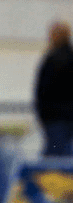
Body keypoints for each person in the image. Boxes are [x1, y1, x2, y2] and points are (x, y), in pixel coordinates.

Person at [34, 20, 73, 156]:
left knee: (55, 158)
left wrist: (43, 113)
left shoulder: (53, 59)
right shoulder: (66, 57)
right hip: (64, 117)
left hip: (54, 117)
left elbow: (43, 90)